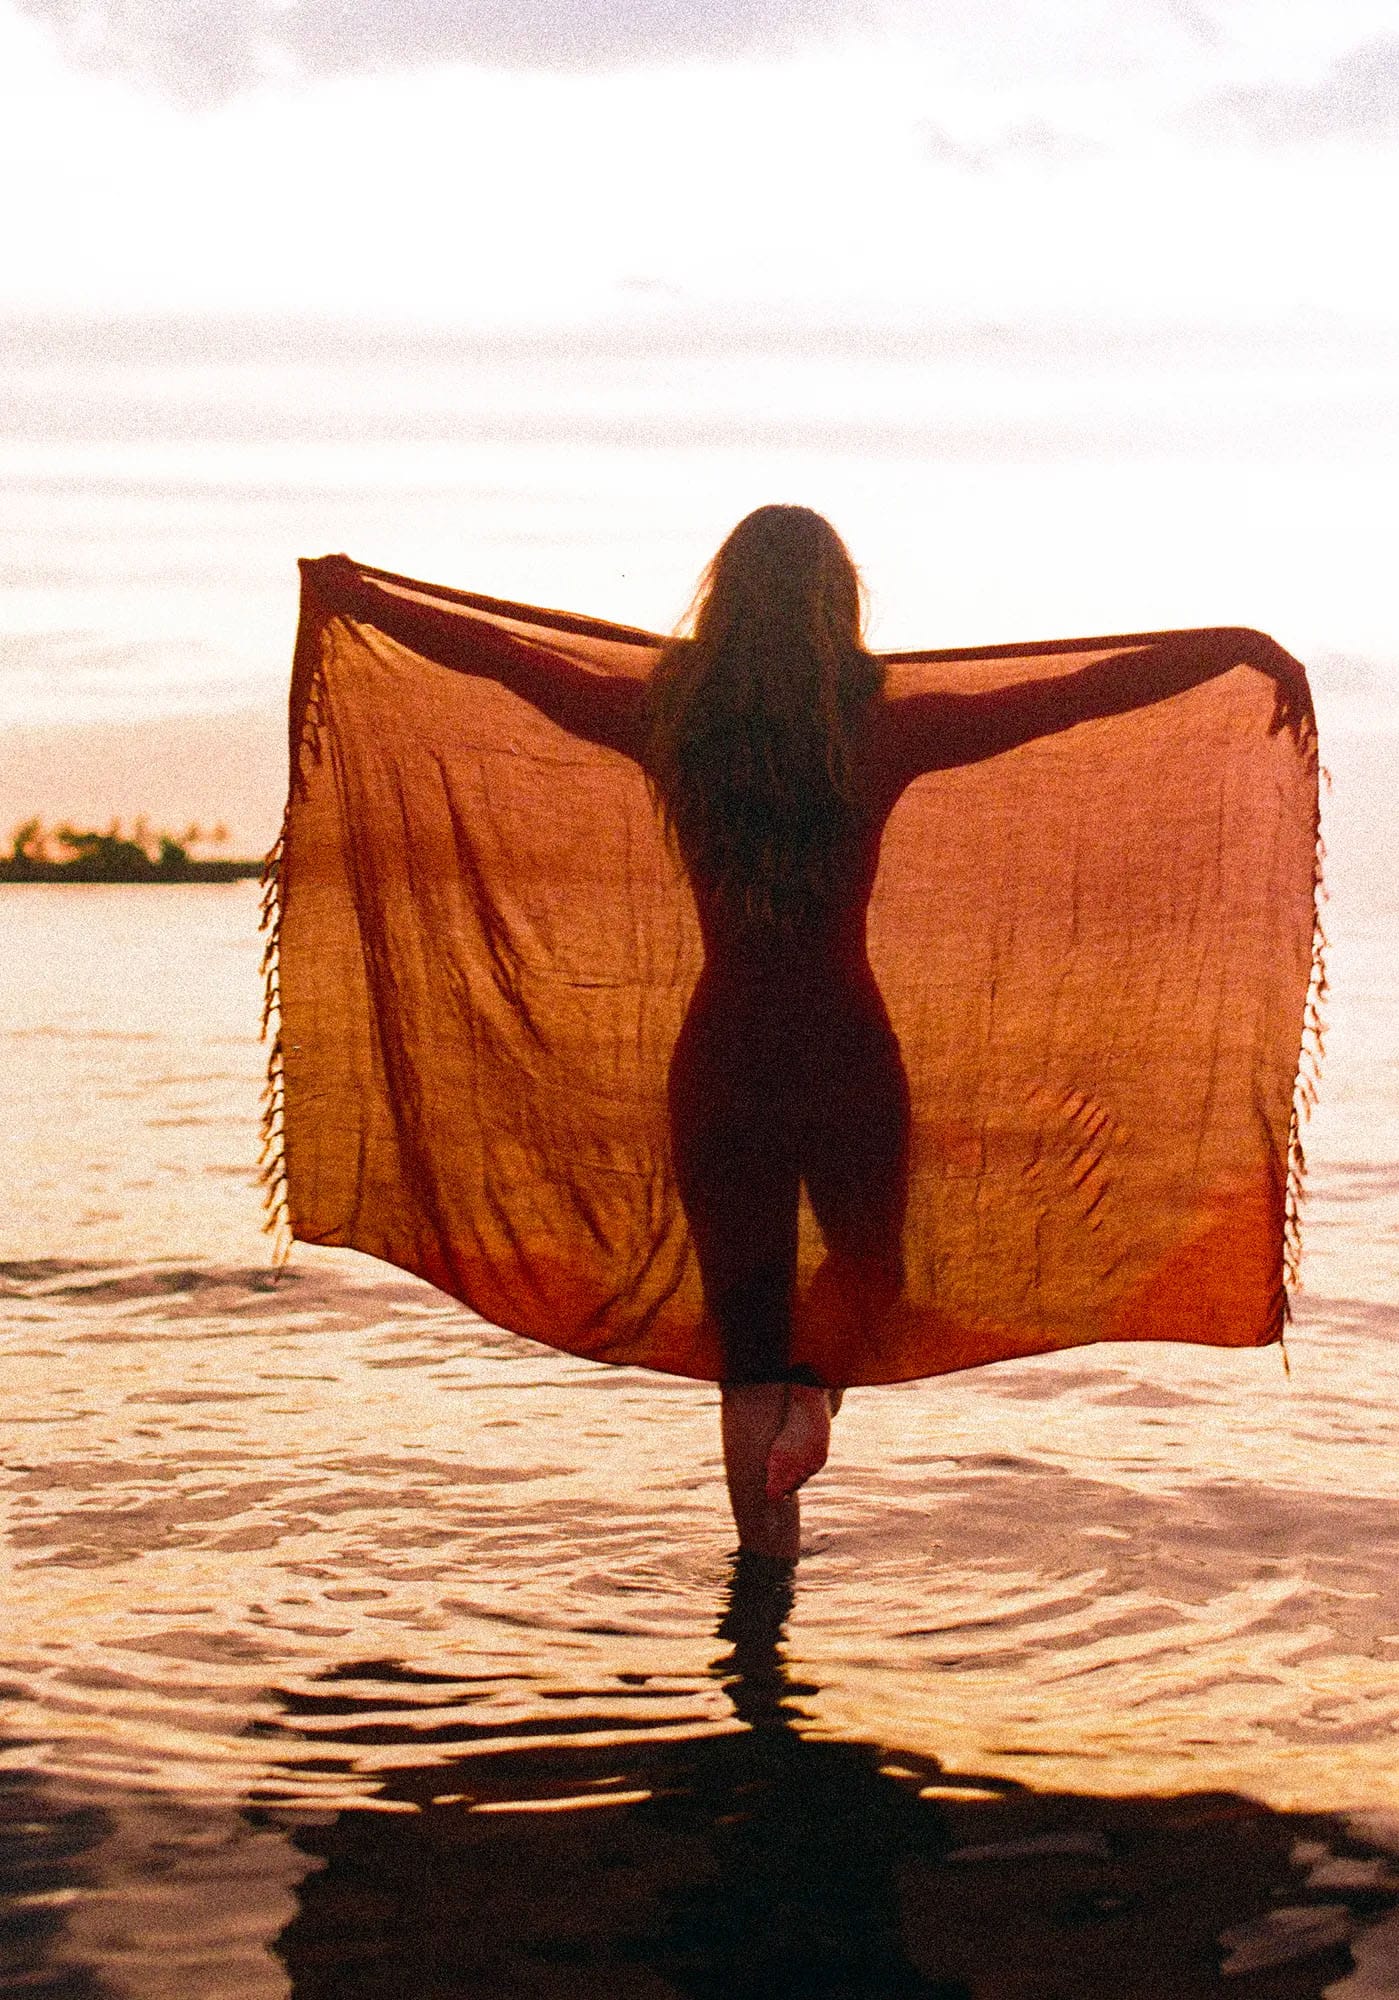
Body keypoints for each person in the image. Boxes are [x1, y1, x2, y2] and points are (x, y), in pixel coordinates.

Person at [305, 509, 1308, 1561]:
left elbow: (507, 660)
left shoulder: (669, 724)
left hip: (725, 1051)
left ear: (724, 602)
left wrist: (365, 601)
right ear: (839, 606)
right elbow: (1067, 696)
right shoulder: (885, 729)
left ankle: (764, 1577)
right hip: (843, 1045)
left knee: (746, 1336)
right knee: (870, 1268)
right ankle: (813, 1402)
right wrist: (1232, 650)